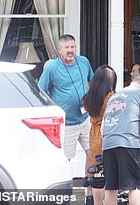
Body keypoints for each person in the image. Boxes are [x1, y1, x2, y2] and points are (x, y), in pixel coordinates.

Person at [38, 34, 94, 202]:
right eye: (67, 47)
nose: (71, 50)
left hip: (85, 120)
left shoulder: (83, 62)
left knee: (93, 155)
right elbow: (41, 91)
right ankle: (63, 197)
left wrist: (91, 103)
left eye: (73, 47)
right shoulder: (51, 68)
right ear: (60, 49)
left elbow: (92, 82)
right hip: (66, 124)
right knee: (64, 162)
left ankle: (89, 195)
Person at [101, 73, 140, 205]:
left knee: (111, 187)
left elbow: (103, 126)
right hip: (128, 143)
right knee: (134, 186)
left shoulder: (115, 96)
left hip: (108, 143)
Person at [82, 65, 117, 205]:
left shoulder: (88, 97)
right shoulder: (110, 97)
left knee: (97, 171)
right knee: (108, 173)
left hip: (93, 134)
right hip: (106, 134)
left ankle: (95, 201)